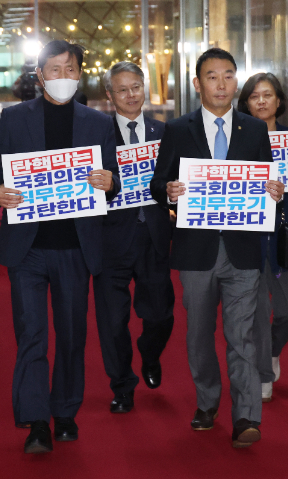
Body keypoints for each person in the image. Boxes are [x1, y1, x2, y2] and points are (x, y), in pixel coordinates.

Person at [0, 40, 120, 454]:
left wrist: (108, 183)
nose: (63, 76)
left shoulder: (98, 123)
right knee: (31, 334)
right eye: (54, 69)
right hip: (27, 247)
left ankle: (64, 413)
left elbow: (112, 178)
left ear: (80, 74)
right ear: (40, 74)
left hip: (75, 248)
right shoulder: (13, 118)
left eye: (70, 69)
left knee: (71, 333)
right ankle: (36, 422)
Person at [150, 48, 285, 448]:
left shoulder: (255, 130)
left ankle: (246, 416)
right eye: (213, 76)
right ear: (198, 84)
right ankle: (207, 401)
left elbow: (266, 181)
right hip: (196, 250)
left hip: (243, 248)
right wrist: (169, 191)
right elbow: (158, 184)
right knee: (198, 334)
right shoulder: (178, 129)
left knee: (242, 334)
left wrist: (273, 190)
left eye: (229, 75)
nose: (222, 84)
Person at [93, 61, 174, 414]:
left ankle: (150, 352)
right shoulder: (97, 133)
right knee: (112, 322)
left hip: (154, 236)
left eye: (136, 87)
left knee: (160, 316)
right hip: (110, 238)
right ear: (109, 95)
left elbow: (177, 180)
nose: (130, 95)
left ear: (145, 89)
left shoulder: (166, 132)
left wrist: (174, 192)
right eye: (122, 89)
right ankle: (122, 385)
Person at [236, 73, 288, 402]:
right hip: (248, 229)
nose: (261, 101)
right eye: (254, 96)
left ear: (279, 101)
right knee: (256, 310)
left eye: (268, 95)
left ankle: (273, 352)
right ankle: (264, 372)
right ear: (246, 103)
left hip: (284, 230)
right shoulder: (236, 139)